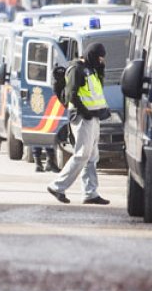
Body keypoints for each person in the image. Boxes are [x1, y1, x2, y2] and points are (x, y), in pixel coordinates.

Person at [46, 43, 111, 205]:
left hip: (93, 118)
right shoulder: (77, 69)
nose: (101, 60)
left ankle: (90, 193)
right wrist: (84, 111)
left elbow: (95, 92)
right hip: (82, 118)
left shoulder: (92, 69)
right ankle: (57, 186)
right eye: (99, 57)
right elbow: (71, 95)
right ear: (91, 55)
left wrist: (101, 72)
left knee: (92, 157)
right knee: (82, 154)